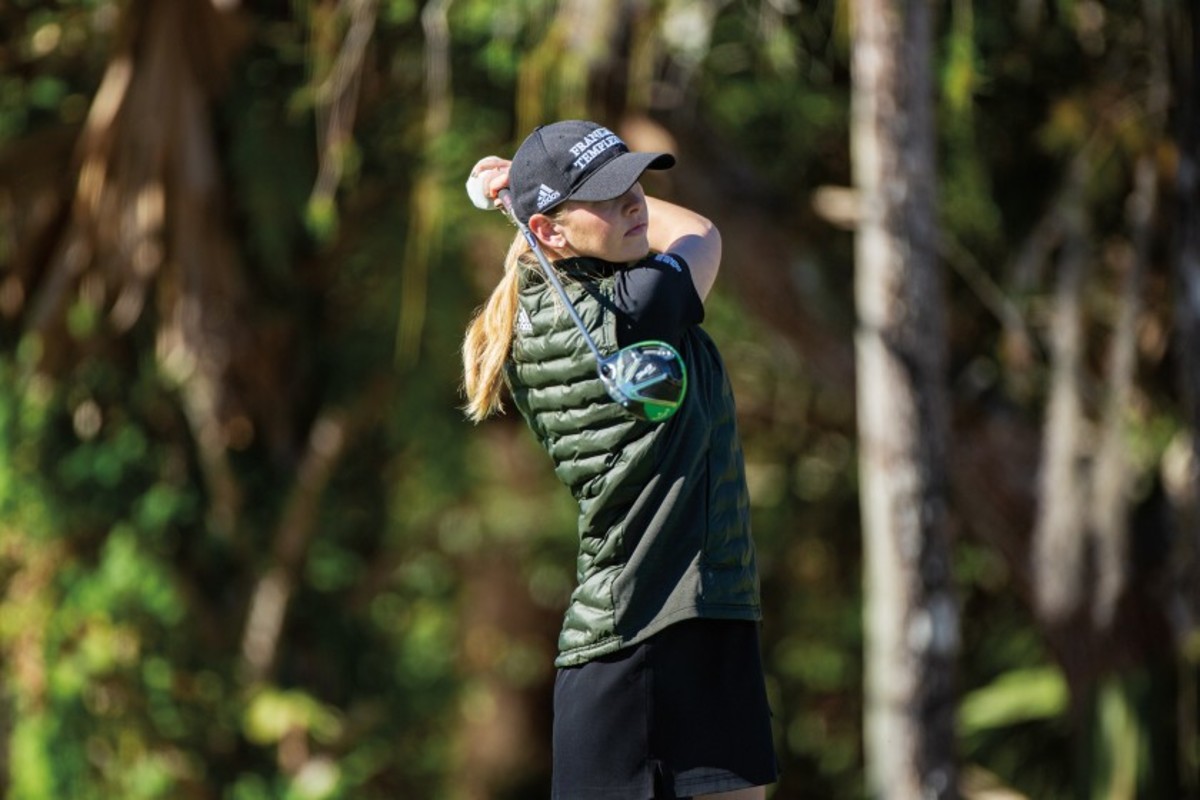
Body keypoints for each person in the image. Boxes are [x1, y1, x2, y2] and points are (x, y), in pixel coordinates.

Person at [460, 120, 778, 800]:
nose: (634, 202)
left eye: (633, 182)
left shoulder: (542, 307)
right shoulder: (637, 305)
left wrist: (528, 198)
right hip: (644, 635)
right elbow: (699, 230)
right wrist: (520, 190)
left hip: (689, 616)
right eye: (606, 195)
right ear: (548, 232)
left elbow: (580, 236)